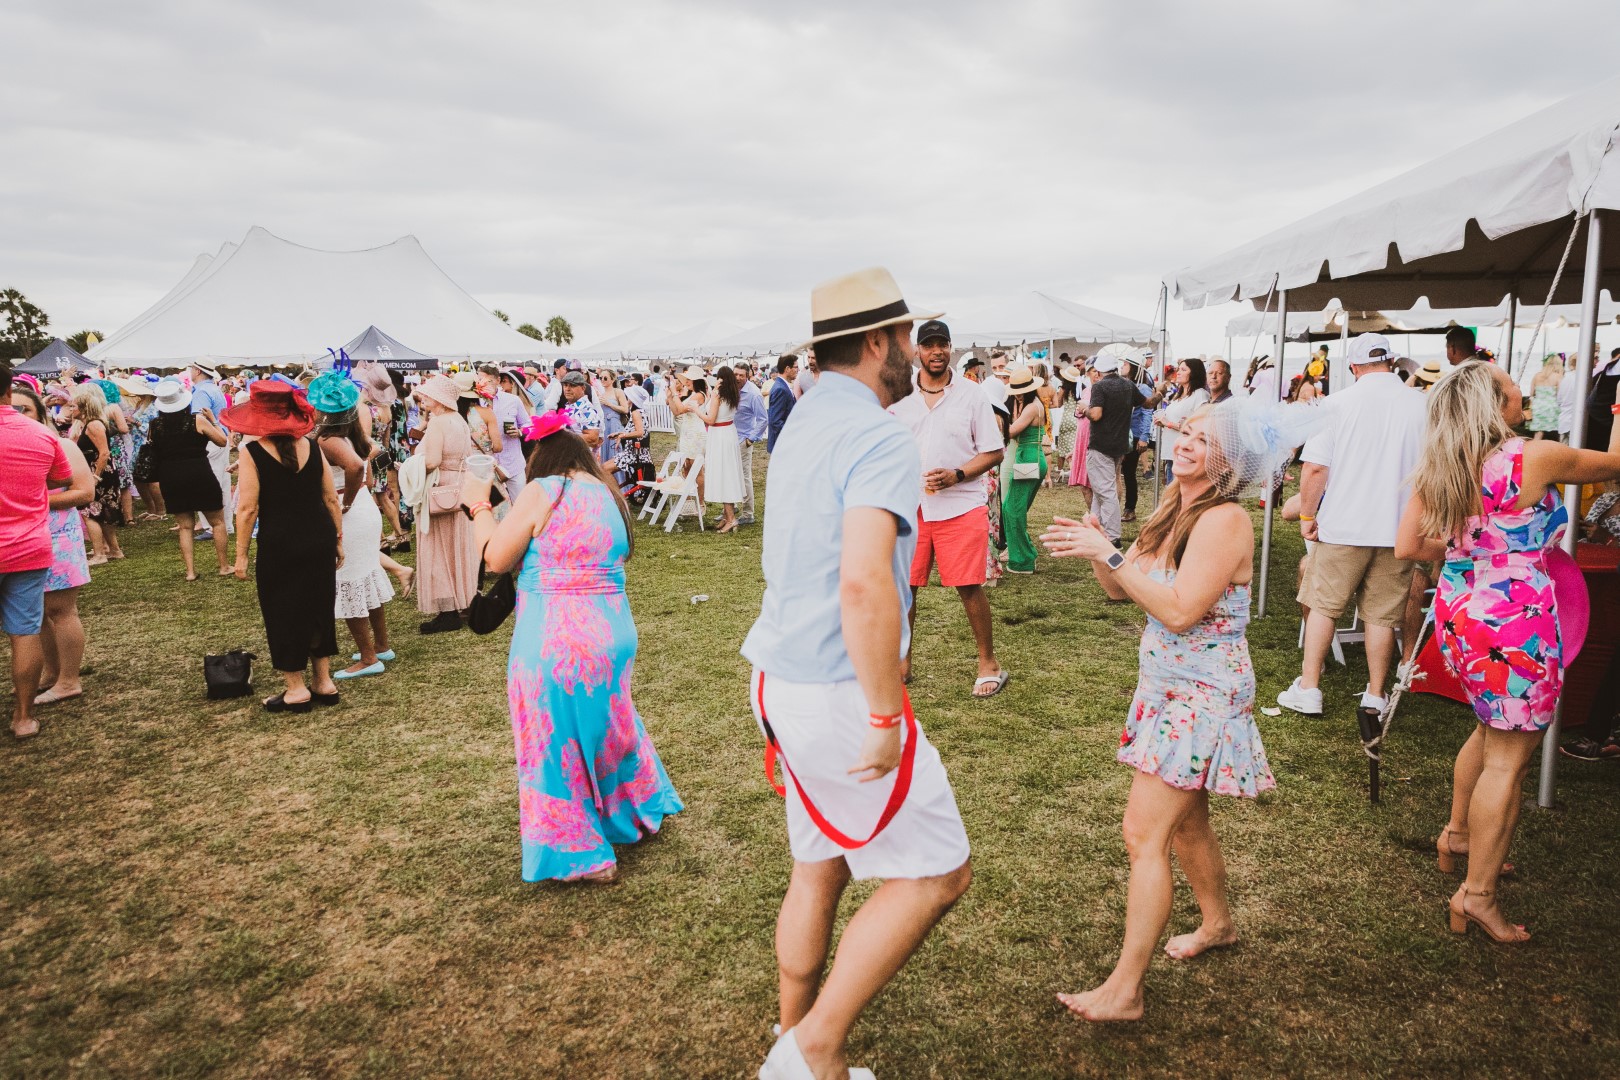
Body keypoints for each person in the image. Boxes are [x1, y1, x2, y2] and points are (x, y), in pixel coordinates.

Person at [744, 268, 971, 1080]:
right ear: (879, 342)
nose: (915, 348)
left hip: (782, 676)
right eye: (907, 335)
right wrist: (884, 715)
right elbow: (866, 580)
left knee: (820, 864)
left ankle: (793, 1036)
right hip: (838, 689)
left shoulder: (806, 416)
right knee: (938, 871)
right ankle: (812, 1050)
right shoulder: (878, 434)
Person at [1041, 400, 1274, 1023]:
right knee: (1188, 824)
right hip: (1165, 688)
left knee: (1144, 834)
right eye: (1186, 432)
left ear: (1229, 462)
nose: (1187, 443)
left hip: (1202, 697)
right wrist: (1099, 550)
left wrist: (1113, 554)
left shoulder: (1224, 519)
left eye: (1204, 439)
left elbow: (1177, 611)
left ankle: (1126, 991)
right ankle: (1218, 923)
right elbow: (1120, 591)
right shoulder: (1173, 505)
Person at [1395, 360, 1620, 942]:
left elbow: (1407, 546)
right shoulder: (1533, 457)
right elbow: (1616, 463)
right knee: (1509, 761)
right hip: (1514, 620)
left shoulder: (1444, 462)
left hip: (1460, 612)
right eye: (1514, 388)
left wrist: (1473, 542)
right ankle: (1478, 895)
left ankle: (1458, 836)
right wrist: (1618, 408)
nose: (1522, 393)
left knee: (1488, 728)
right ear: (1495, 404)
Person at [462, 411, 682, 883]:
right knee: (609, 725)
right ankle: (634, 812)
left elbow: (496, 557)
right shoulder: (607, 492)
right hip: (612, 632)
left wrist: (478, 505)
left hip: (556, 637)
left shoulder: (545, 490)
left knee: (552, 740)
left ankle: (579, 855)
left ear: (539, 456)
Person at [1279, 333, 1427, 757]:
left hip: (1343, 524)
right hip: (1398, 527)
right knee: (1382, 615)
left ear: (1353, 367)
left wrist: (1307, 516)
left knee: (1324, 605)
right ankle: (1375, 694)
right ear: (1392, 362)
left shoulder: (1336, 404)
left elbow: (1314, 469)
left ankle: (1310, 687)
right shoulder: (1422, 405)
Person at [889, 318, 1007, 697]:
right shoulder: (899, 393)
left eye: (943, 344)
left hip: (960, 505)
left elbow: (994, 451)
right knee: (906, 588)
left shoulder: (971, 395)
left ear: (951, 349)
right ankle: (902, 661)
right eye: (929, 345)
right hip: (910, 506)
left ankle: (988, 662)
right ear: (918, 351)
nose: (936, 351)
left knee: (968, 587)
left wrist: (957, 474)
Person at [225, 381, 343, 713]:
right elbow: (331, 499)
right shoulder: (313, 446)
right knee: (319, 607)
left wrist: (240, 556)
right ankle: (324, 681)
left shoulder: (252, 452)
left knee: (283, 611)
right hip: (319, 537)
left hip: (281, 541)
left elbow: (247, 509)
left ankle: (296, 688)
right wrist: (337, 539)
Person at [309, 372, 406, 679]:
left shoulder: (327, 439)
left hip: (349, 509)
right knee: (366, 575)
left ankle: (368, 658)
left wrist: (346, 502)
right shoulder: (353, 433)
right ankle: (381, 646)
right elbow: (369, 459)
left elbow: (353, 467)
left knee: (349, 581)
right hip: (364, 507)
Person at [0, 363, 77, 738]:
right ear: (8, 391)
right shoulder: (41, 434)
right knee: (25, 632)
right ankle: (23, 717)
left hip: (25, 545)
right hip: (28, 545)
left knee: (27, 630)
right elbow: (62, 478)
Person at [9, 385, 94, 709]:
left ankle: (69, 680)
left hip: (57, 536)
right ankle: (50, 673)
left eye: (24, 409)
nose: (16, 415)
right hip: (23, 540)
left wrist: (33, 500)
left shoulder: (60, 445)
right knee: (37, 614)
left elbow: (85, 492)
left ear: (41, 413)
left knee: (61, 610)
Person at [141, 378, 231, 580]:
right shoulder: (196, 421)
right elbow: (222, 441)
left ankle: (190, 571)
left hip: (170, 476)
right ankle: (224, 566)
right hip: (199, 473)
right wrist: (213, 421)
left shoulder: (155, 425)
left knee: (185, 526)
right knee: (217, 522)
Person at [412, 374, 479, 634]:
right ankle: (464, 599)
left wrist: (409, 467)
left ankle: (448, 611)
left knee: (439, 547)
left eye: (428, 395)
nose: (423, 398)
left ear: (439, 398)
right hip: (459, 486)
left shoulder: (438, 422)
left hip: (441, 488)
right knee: (458, 545)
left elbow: (432, 461)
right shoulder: (459, 420)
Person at [1087, 354, 1159, 543]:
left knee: (1105, 491)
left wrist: (1084, 409)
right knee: (1101, 490)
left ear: (1099, 371)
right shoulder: (1128, 385)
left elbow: (1096, 414)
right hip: (1120, 445)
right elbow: (1148, 403)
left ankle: (1113, 536)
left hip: (1101, 444)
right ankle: (1096, 530)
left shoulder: (1100, 386)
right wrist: (1160, 392)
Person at [66, 385, 127, 564]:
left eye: (74, 406)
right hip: (99, 472)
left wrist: (95, 477)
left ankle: (100, 554)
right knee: (103, 513)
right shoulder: (93, 423)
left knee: (89, 512)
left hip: (99, 473)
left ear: (84, 408)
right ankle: (114, 550)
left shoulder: (93, 425)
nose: (71, 409)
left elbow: (104, 453)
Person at [1001, 366, 1048, 574]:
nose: (1017, 395)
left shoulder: (1031, 408)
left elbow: (1011, 432)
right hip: (1028, 458)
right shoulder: (1031, 404)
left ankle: (1023, 560)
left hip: (1029, 459)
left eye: (1020, 392)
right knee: (1013, 508)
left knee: (1013, 509)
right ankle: (1023, 552)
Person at [188, 361, 233, 535]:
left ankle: (210, 526)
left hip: (209, 440)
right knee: (222, 483)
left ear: (198, 371)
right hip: (220, 437)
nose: (190, 372)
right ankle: (225, 525)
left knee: (207, 483)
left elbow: (198, 420)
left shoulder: (201, 392)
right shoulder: (214, 389)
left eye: (192, 369)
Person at [702, 366, 748, 533]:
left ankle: (731, 519)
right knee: (727, 473)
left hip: (720, 435)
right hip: (728, 433)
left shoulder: (719, 395)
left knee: (723, 476)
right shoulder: (733, 393)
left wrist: (696, 410)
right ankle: (726, 516)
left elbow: (710, 419)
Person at [478, 364, 530, 501]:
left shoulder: (513, 400)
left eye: (489, 380)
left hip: (512, 463)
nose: (484, 384)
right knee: (493, 507)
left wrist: (519, 432)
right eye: (481, 380)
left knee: (520, 503)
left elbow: (529, 424)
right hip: (487, 464)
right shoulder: (476, 402)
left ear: (498, 380)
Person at [1154, 359, 1210, 483]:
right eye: (1178, 369)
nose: (1178, 372)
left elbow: (1199, 426)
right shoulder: (1178, 396)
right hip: (1171, 451)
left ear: (1194, 373)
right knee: (1171, 489)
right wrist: (1163, 422)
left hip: (1186, 452)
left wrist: (1168, 423)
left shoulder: (1200, 395)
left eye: (1183, 370)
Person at [733, 361, 767, 525]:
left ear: (747, 376)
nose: (738, 378)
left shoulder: (754, 394)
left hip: (743, 440)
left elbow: (763, 419)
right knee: (730, 475)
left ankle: (748, 514)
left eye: (741, 375)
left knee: (744, 476)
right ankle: (730, 508)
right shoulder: (731, 388)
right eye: (735, 374)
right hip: (729, 439)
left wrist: (750, 439)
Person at [1526, 354, 1565, 439]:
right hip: (1552, 408)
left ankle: (1535, 447)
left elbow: (1531, 393)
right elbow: (1560, 395)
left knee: (1538, 433)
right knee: (1556, 434)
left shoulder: (1537, 375)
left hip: (1537, 406)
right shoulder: (1558, 377)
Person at [767, 353, 799, 453]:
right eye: (796, 367)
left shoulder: (782, 385)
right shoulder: (780, 389)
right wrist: (792, 434)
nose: (798, 370)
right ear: (787, 369)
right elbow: (775, 421)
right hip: (782, 445)